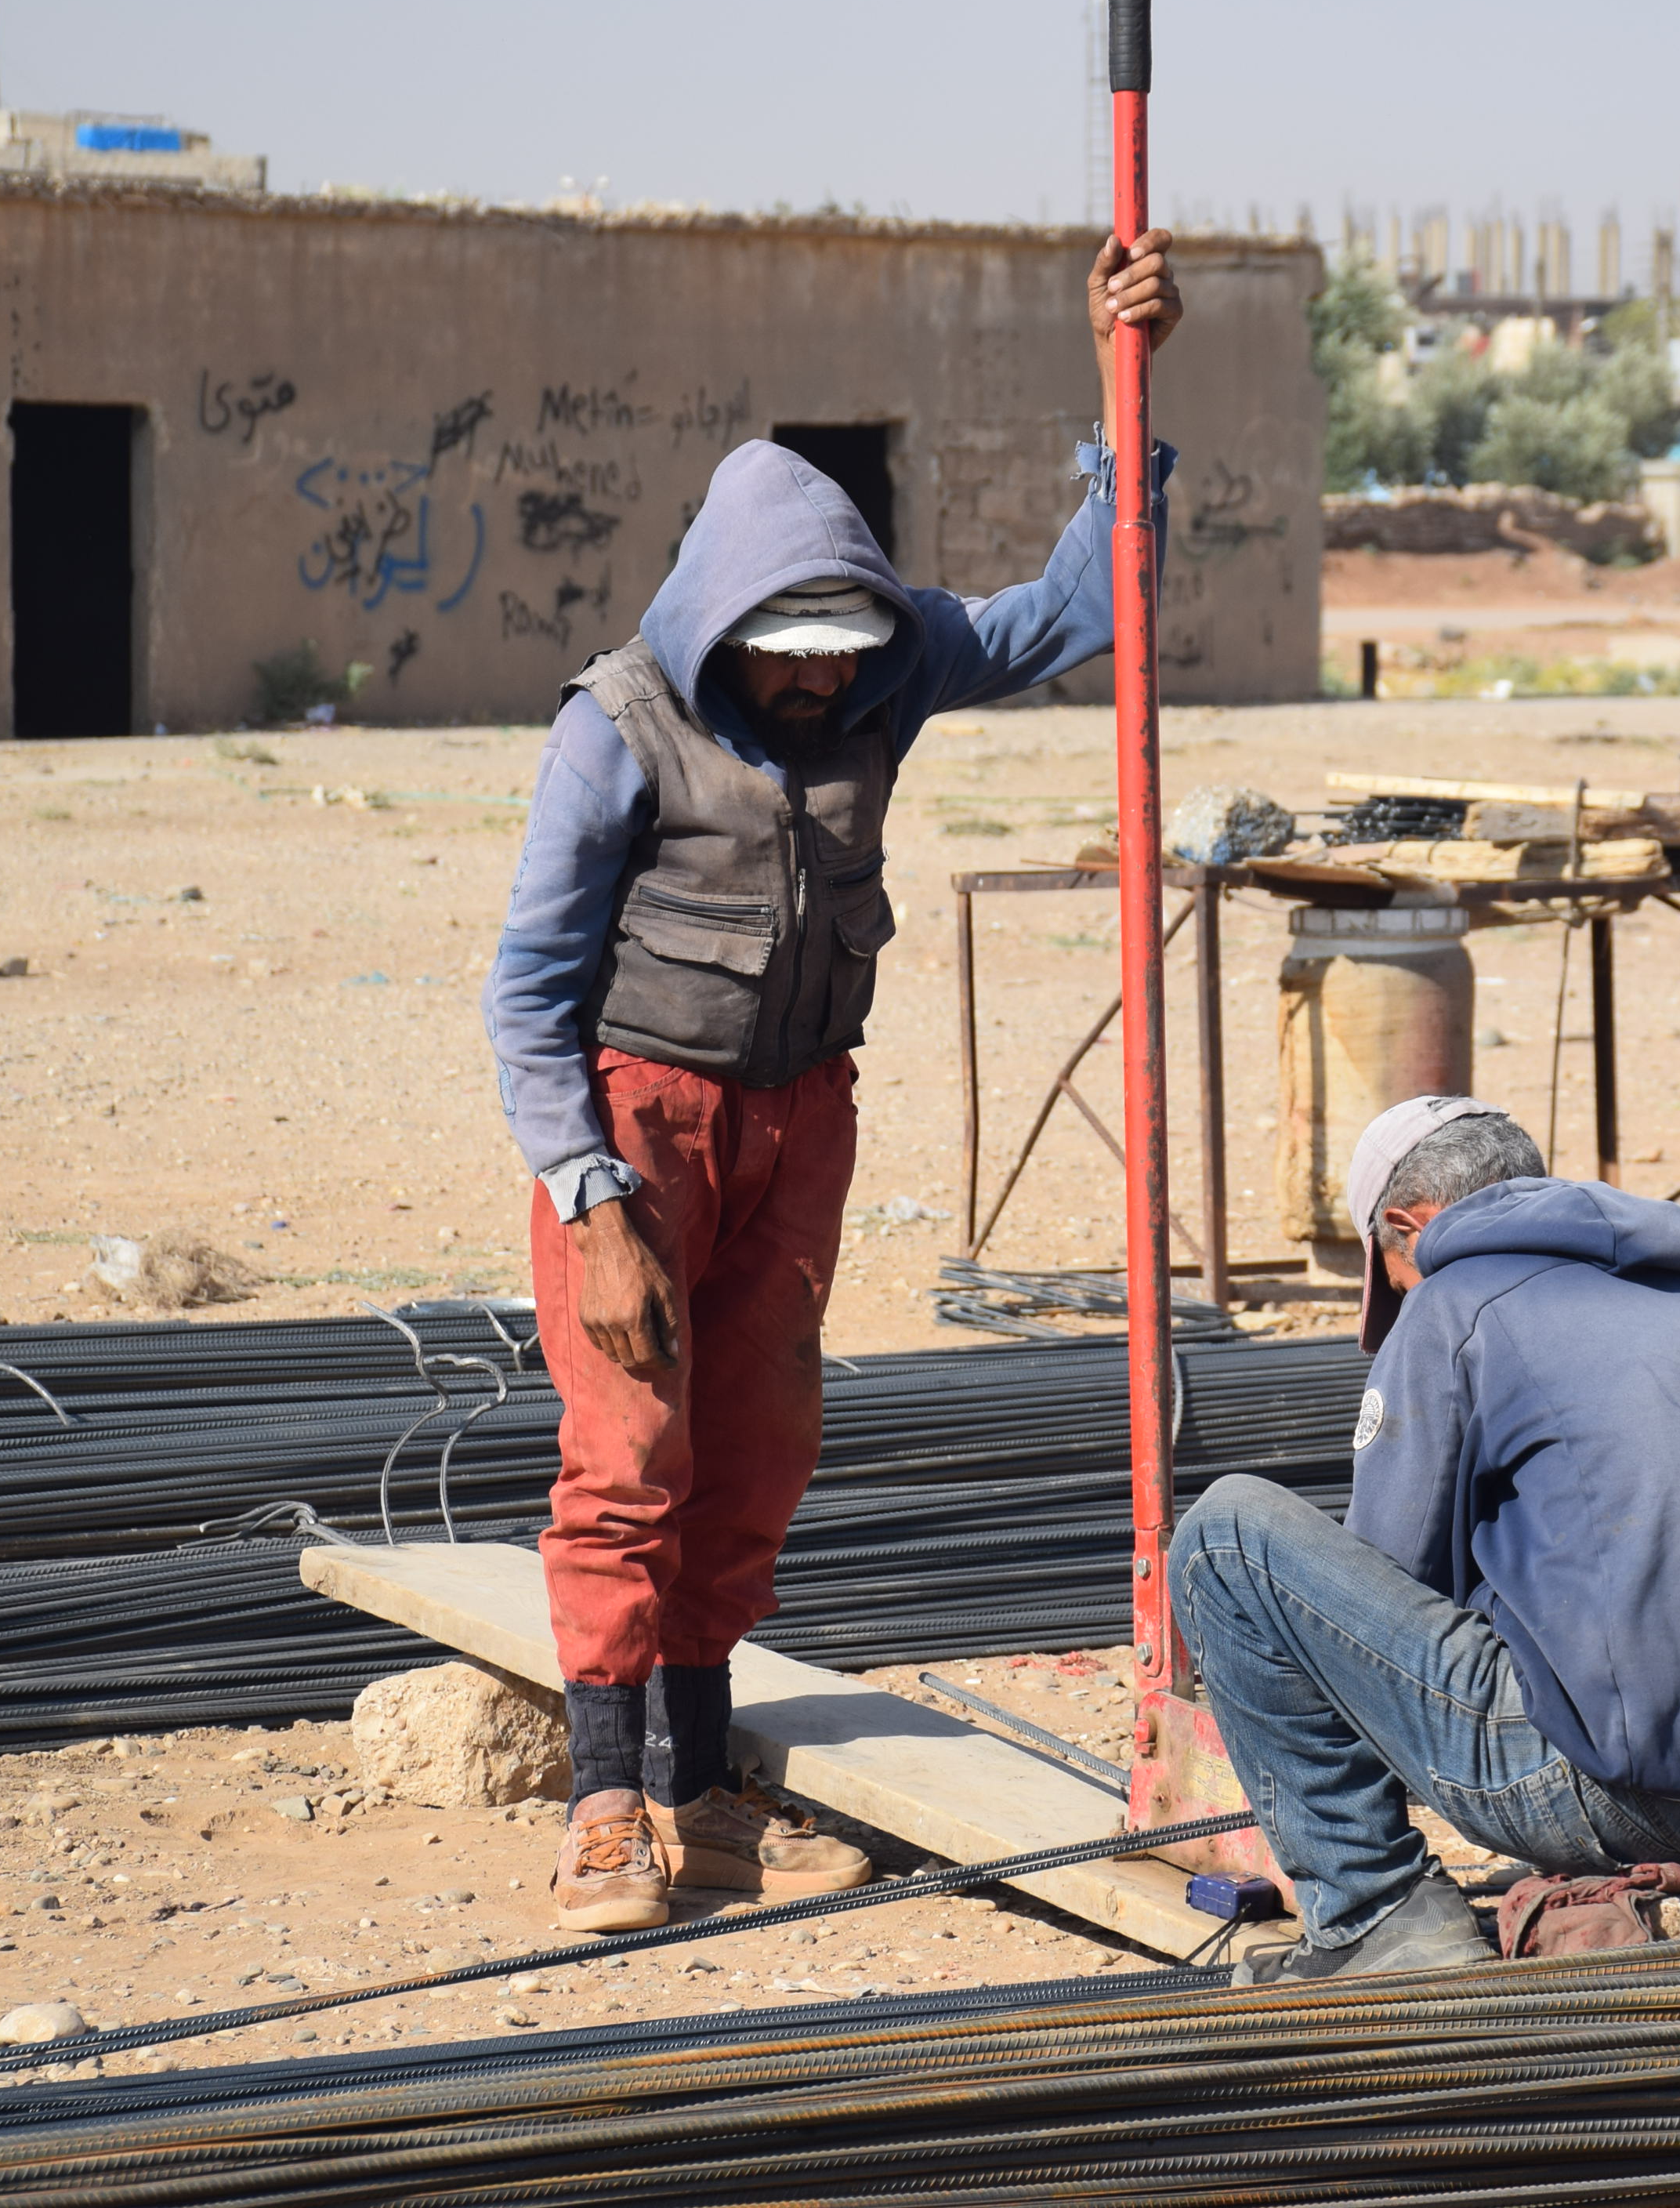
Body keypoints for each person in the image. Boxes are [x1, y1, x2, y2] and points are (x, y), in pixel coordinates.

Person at [482, 232, 1186, 1932]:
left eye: (834, 653)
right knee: (628, 1453)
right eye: (786, 654)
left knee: (755, 1455)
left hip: (803, 1119)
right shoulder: (621, 724)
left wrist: (1125, 386)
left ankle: (703, 1795)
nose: (814, 682)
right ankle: (601, 1806)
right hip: (641, 1125)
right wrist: (593, 1203)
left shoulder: (891, 661)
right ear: (727, 625)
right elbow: (525, 990)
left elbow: (1085, 611)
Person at [1172, 1097, 1680, 1982]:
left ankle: (1369, 1914)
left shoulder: (1454, 1302)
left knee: (1226, 1535)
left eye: (1392, 1273)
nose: (1400, 1295)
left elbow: (1383, 1600)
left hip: (1592, 1794)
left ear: (1408, 1225)